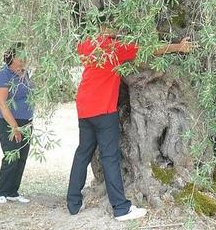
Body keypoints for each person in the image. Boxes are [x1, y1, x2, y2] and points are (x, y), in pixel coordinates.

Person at [67, 19, 195, 221]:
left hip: (84, 107)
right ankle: (120, 208)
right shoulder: (113, 47)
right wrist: (179, 46)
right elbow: (149, 49)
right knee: (110, 157)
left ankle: (73, 203)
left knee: (83, 152)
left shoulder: (86, 44)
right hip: (103, 109)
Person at [0, 42, 33, 204]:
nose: (25, 57)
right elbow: (2, 104)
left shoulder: (24, 73)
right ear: (13, 57)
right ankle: (1, 192)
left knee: (21, 157)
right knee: (11, 156)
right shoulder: (4, 75)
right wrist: (14, 127)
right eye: (21, 54)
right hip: (8, 122)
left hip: (26, 122)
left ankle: (12, 192)